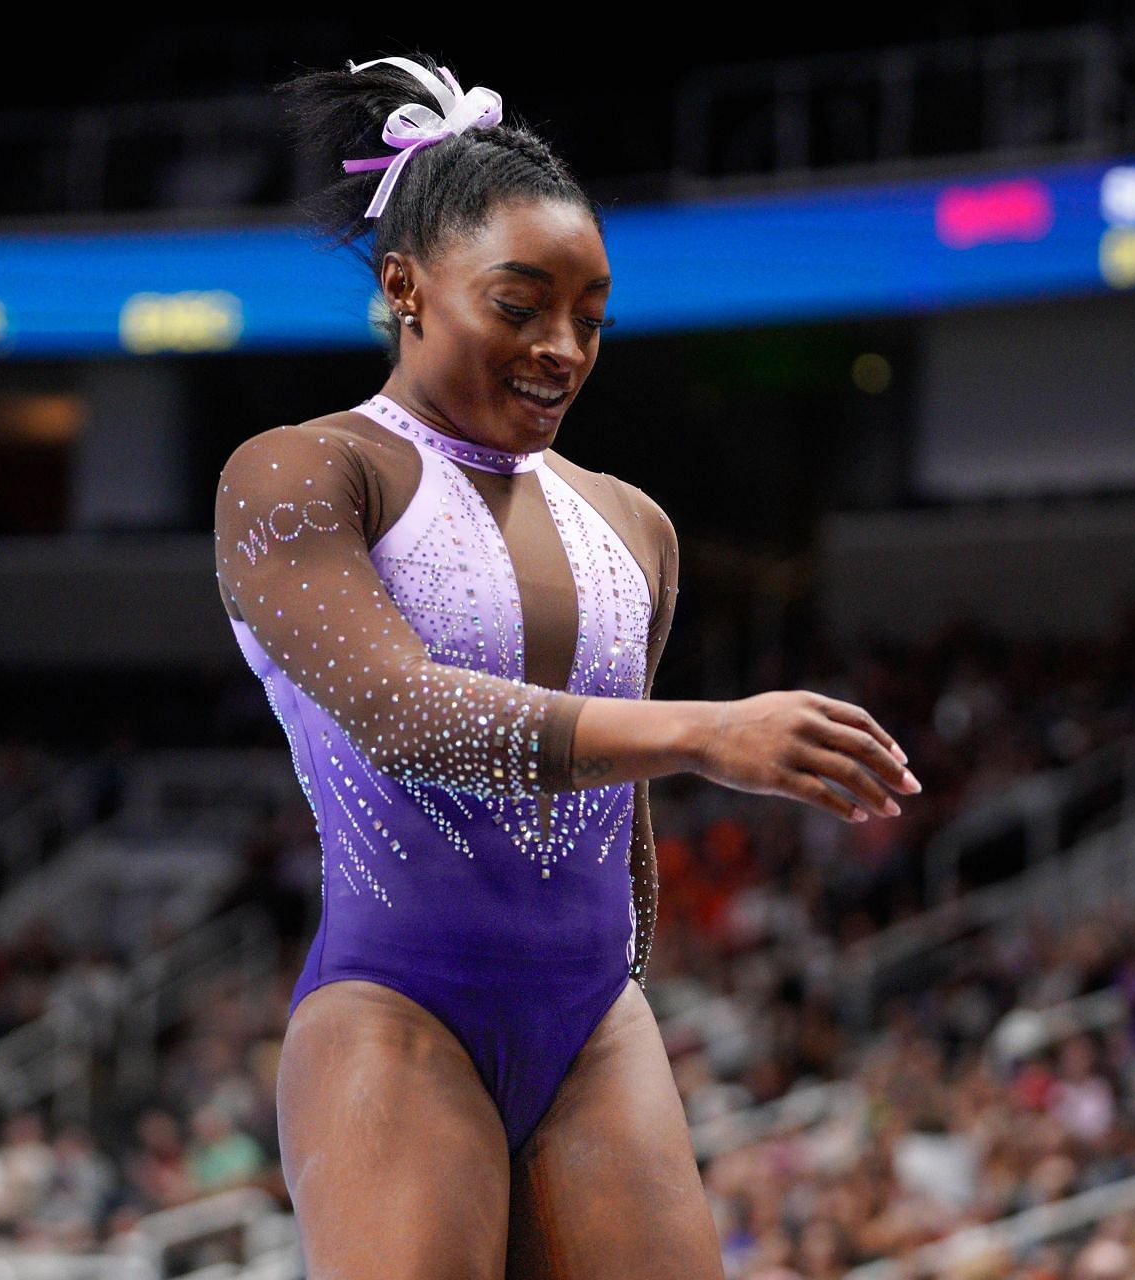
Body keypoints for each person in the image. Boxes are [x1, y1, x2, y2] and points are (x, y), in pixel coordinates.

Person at [213, 52, 921, 1279]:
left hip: (593, 1023)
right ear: (407, 287)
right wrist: (708, 732)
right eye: (522, 303)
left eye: (591, 316)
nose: (563, 348)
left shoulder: (632, 523)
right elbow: (406, 715)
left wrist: (612, 973)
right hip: (398, 1006)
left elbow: (618, 823)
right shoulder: (302, 474)